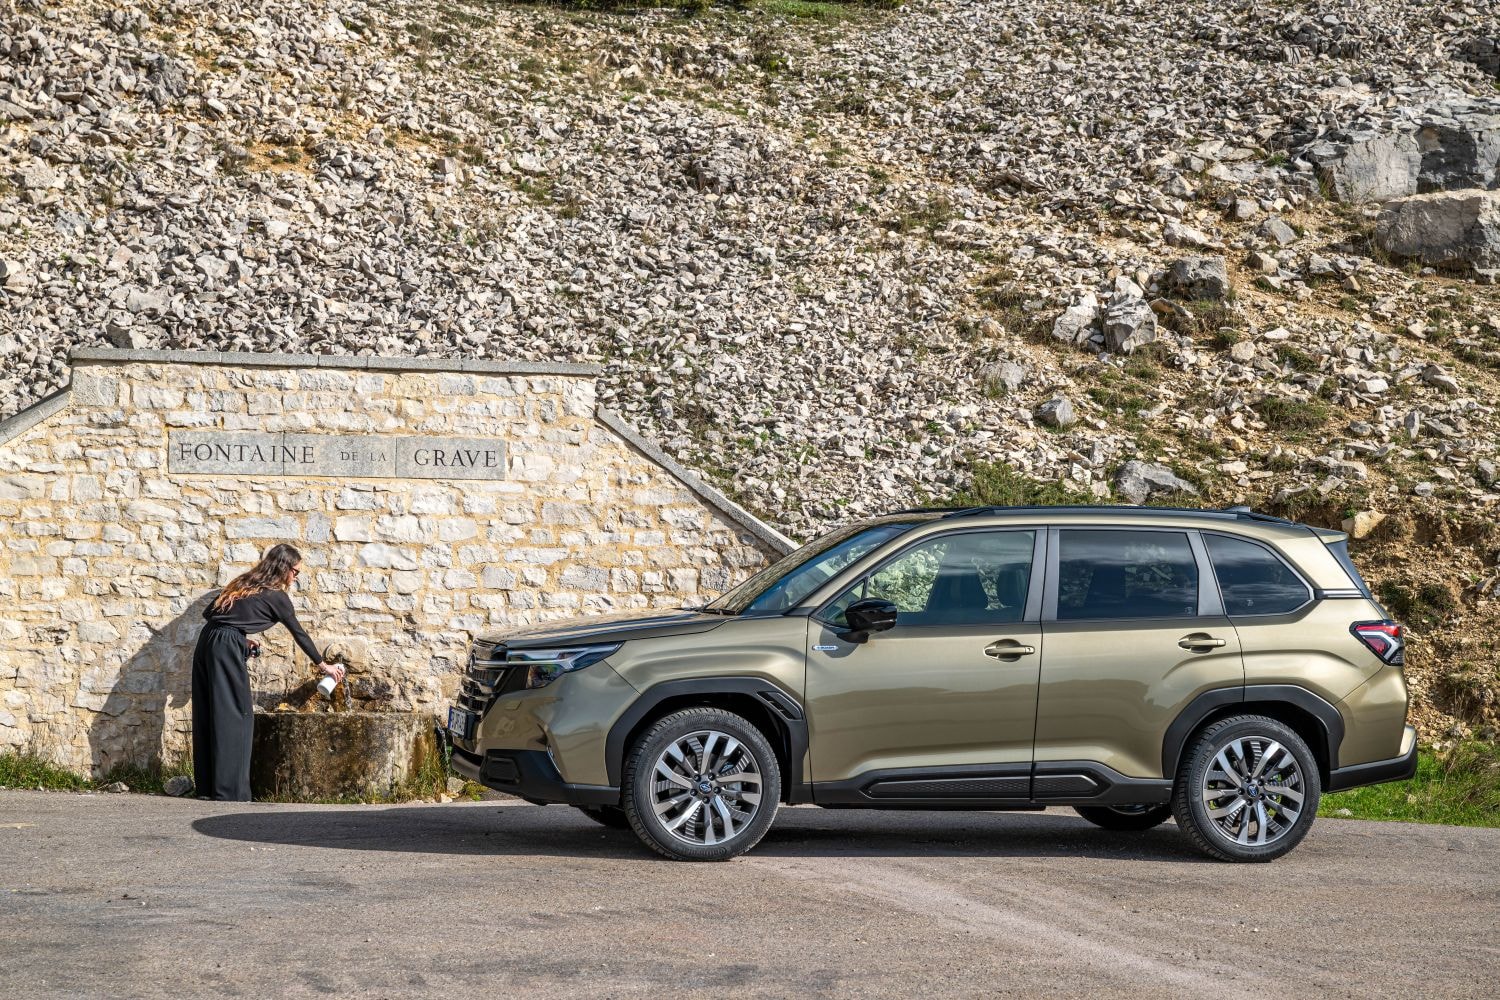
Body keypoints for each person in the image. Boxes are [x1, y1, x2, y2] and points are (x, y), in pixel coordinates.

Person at [192, 543, 344, 801]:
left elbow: (210, 614)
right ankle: (230, 792)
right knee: (237, 715)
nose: (295, 577)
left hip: (208, 641)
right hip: (226, 646)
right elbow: (299, 634)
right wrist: (323, 665)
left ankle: (208, 786)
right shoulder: (277, 596)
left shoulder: (242, 583)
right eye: (295, 571)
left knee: (210, 710)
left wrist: (242, 639)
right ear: (284, 568)